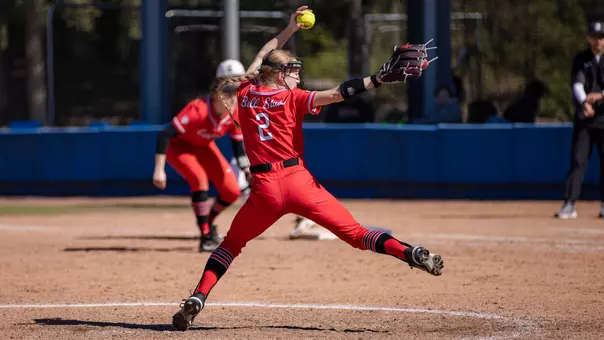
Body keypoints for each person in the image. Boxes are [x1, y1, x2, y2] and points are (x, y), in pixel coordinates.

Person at [171, 6, 444, 331]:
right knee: (355, 233)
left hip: (265, 190)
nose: (298, 75)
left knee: (230, 245)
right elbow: (339, 92)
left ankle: (200, 296)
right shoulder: (293, 98)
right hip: (299, 182)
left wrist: (289, 29)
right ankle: (409, 252)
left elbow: (264, 53)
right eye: (293, 71)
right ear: (277, 74)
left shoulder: (244, 92)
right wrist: (378, 78)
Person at [152, 59, 253, 251]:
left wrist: (247, 170)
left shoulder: (236, 113)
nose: (232, 96)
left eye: (236, 91)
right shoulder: (197, 109)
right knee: (199, 180)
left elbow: (238, 147)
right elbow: (166, 134)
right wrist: (159, 169)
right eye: (227, 91)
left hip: (204, 147)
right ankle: (206, 236)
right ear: (216, 91)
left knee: (232, 191)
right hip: (180, 147)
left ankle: (207, 221)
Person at [556, 20, 604, 219]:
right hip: (585, 118)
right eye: (595, 37)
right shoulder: (582, 59)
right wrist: (585, 101)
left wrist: (601, 95)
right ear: (588, 38)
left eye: (601, 38)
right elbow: (577, 83)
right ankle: (570, 203)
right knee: (578, 160)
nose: (598, 42)